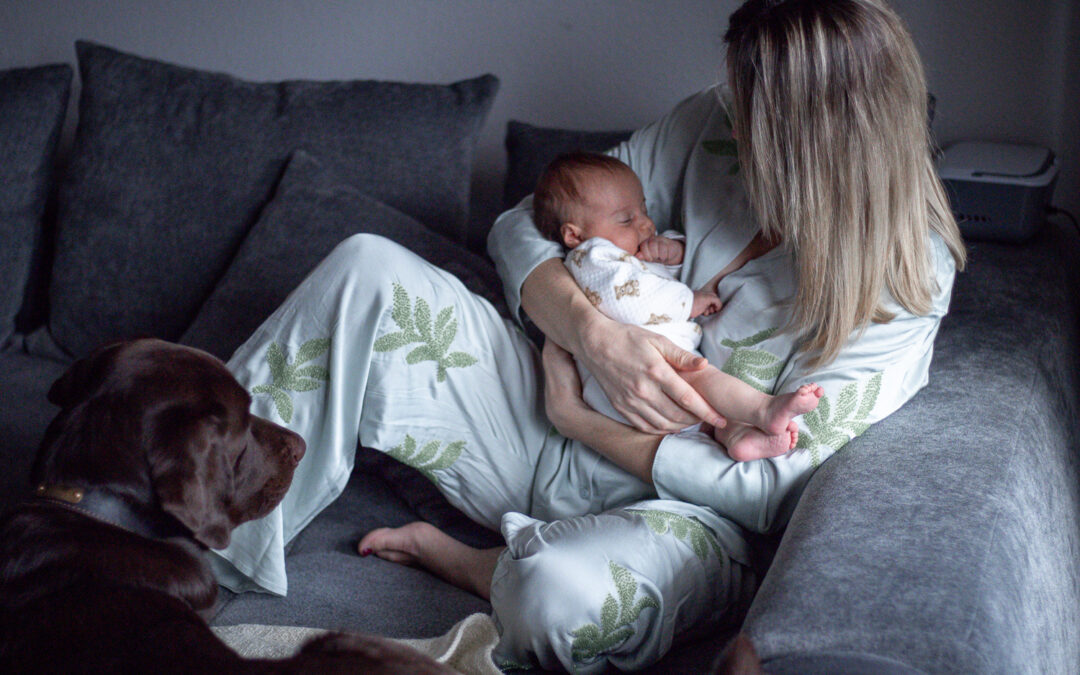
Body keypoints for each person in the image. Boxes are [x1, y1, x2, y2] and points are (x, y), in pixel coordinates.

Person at [209, 1, 966, 672]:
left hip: (677, 511)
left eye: (753, 117)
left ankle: (482, 565)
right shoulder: (714, 121)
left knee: (558, 597)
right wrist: (592, 333)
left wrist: (580, 420)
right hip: (540, 415)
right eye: (735, 98)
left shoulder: (904, 284)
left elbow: (765, 491)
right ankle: (200, 545)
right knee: (365, 270)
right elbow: (525, 225)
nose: (730, 124)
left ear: (820, 138)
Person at [532, 151, 823, 461]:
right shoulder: (592, 257)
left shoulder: (624, 251)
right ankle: (764, 409)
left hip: (655, 366)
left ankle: (736, 436)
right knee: (703, 379)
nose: (646, 224)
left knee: (708, 402)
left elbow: (656, 276)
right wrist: (688, 301)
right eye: (626, 219)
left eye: (644, 210)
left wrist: (673, 253)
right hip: (623, 379)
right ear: (574, 234)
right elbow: (631, 302)